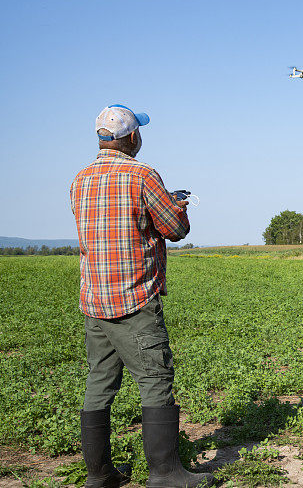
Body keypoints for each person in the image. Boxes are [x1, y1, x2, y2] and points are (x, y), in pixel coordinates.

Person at [70, 105, 211, 488]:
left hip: (95, 301)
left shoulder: (80, 179)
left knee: (99, 382)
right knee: (155, 378)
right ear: (132, 137)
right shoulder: (143, 174)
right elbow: (175, 228)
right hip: (134, 298)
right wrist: (176, 202)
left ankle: (99, 475)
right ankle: (165, 474)